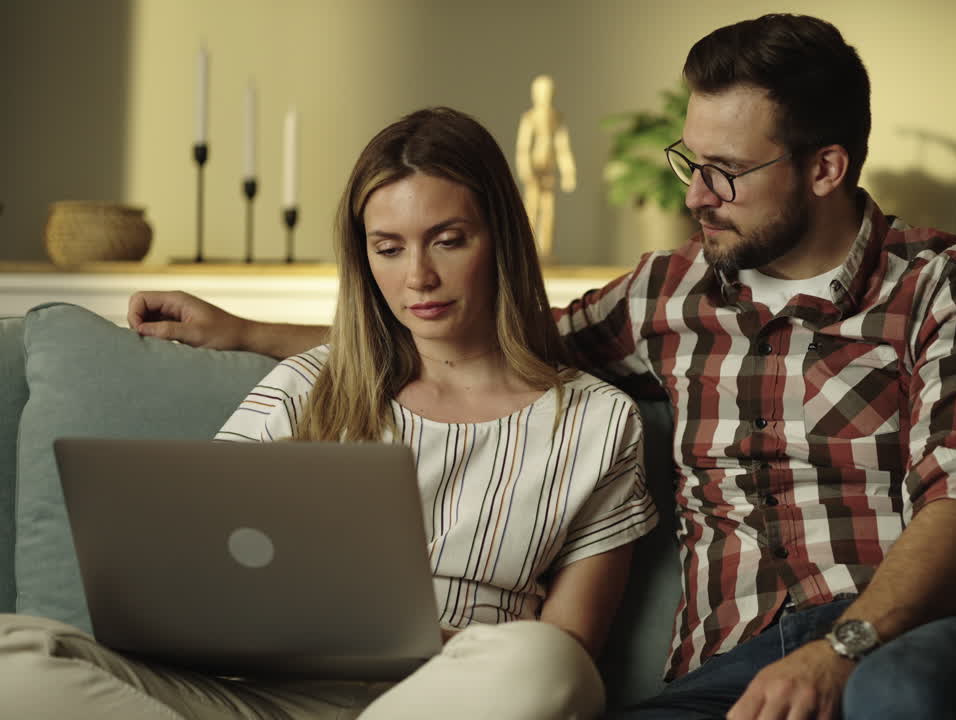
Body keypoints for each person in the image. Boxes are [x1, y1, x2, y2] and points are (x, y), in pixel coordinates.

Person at [127, 13, 956, 720]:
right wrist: (247, 334)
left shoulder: (947, 287)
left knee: (899, 699)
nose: (695, 194)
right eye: (692, 160)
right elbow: (485, 342)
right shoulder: (669, 290)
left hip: (915, 634)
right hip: (729, 669)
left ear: (825, 168)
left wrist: (842, 649)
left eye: (725, 171)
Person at [1, 107, 658, 720]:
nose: (418, 277)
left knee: (544, 662)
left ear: (501, 240)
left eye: (448, 241)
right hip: (247, 699)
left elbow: (571, 651)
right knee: (15, 655)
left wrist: (419, 635)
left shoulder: (597, 424)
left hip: (443, 697)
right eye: (389, 247)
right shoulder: (310, 384)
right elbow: (191, 563)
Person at [516, 73, 577, 258]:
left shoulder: (556, 118)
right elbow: (523, 146)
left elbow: (562, 146)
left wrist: (568, 172)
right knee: (532, 211)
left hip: (549, 171)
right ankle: (530, 252)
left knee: (549, 212)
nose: (545, 96)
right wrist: (525, 168)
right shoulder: (530, 117)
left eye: (548, 92)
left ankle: (545, 253)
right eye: (542, 92)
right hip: (535, 170)